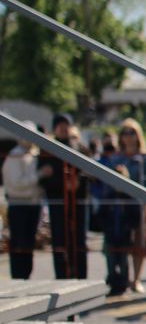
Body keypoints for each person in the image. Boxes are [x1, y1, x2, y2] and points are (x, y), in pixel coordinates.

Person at [95, 119, 146, 296]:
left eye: (132, 133)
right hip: (119, 206)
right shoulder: (115, 157)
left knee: (139, 243)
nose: (128, 137)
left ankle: (136, 279)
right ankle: (120, 278)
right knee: (117, 243)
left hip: (138, 205)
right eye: (125, 133)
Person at [38, 113, 90, 279]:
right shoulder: (47, 149)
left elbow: (90, 171)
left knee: (79, 239)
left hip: (78, 201)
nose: (63, 128)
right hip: (58, 201)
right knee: (59, 240)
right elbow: (44, 177)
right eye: (59, 125)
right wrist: (61, 183)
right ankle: (61, 276)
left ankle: (81, 275)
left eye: (66, 124)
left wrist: (78, 181)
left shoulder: (80, 147)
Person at [2, 122, 51, 279]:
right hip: (19, 204)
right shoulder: (15, 155)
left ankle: (25, 275)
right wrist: (39, 175)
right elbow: (17, 182)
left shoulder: (34, 154)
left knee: (29, 243)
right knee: (19, 242)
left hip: (33, 204)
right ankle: (18, 275)